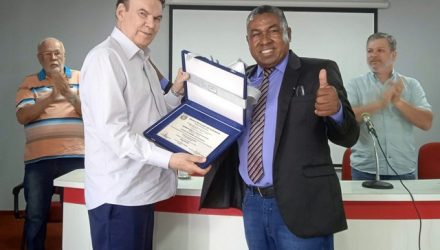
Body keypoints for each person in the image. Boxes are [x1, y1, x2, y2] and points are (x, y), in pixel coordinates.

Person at [200, 5, 359, 250]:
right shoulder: (239, 80)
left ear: (288, 33)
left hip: (303, 204)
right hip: (252, 203)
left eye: (273, 31)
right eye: (256, 33)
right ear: (248, 40)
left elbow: (349, 136)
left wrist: (336, 110)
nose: (264, 39)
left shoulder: (317, 71)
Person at [79, 0, 210, 249]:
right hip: (118, 196)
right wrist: (171, 159)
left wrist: (175, 92)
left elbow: (152, 118)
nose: (151, 25)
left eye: (157, 18)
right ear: (120, 12)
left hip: (139, 192)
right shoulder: (105, 59)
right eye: (143, 14)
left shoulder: (142, 60)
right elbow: (114, 134)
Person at [15, 37, 84, 249]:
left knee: (78, 213)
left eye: (57, 52)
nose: (53, 57)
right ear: (39, 58)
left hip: (76, 158)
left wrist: (68, 95)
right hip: (39, 160)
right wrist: (51, 97)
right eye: (47, 54)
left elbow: (92, 114)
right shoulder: (29, 82)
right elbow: (23, 116)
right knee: (35, 214)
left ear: (64, 54)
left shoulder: (83, 77)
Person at [345, 32, 433, 180]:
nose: (373, 55)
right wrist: (380, 103)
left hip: (403, 170)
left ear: (394, 54)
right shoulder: (355, 84)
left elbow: (426, 122)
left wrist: (398, 101)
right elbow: (347, 118)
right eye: (370, 51)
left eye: (380, 50)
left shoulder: (411, 85)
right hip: (366, 170)